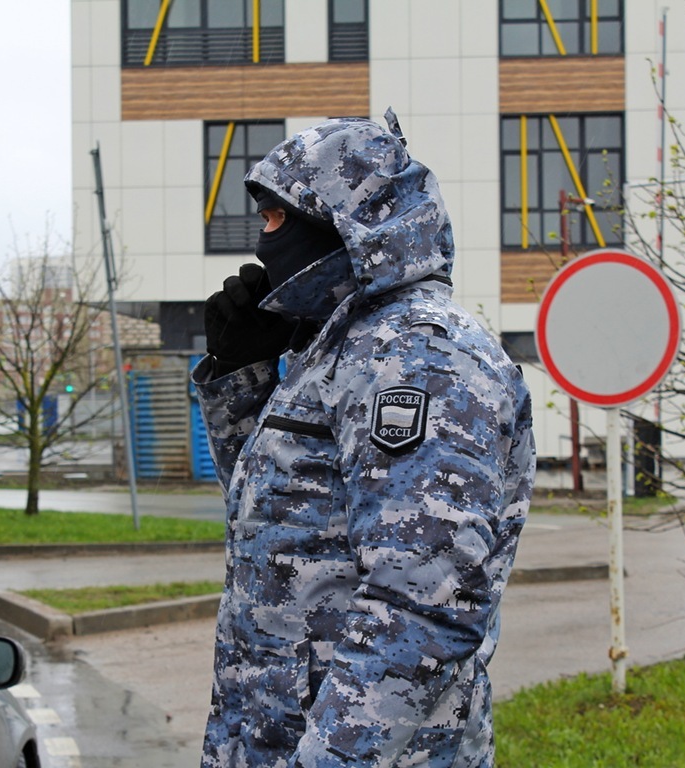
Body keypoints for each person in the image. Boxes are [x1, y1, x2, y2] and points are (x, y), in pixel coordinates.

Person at [191, 111, 536, 768]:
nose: (262, 242)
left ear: (346, 219)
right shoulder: (341, 349)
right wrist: (243, 374)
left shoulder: (418, 355)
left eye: (277, 218)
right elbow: (284, 526)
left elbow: (425, 603)